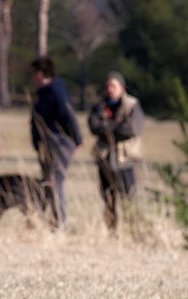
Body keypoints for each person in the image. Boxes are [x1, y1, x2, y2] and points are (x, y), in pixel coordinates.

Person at [88, 71, 145, 231]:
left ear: (122, 87)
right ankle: (111, 231)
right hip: (105, 159)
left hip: (125, 160)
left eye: (113, 86)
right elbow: (93, 126)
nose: (110, 89)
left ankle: (132, 230)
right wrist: (115, 128)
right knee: (107, 199)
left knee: (129, 198)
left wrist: (107, 129)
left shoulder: (132, 105)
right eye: (108, 86)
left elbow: (132, 129)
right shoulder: (99, 106)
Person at [30, 57, 82, 230]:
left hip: (59, 142)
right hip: (47, 144)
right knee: (47, 181)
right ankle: (48, 219)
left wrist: (76, 138)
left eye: (34, 73)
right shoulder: (42, 93)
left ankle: (60, 222)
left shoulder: (55, 90)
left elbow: (68, 114)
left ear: (40, 73)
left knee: (55, 180)